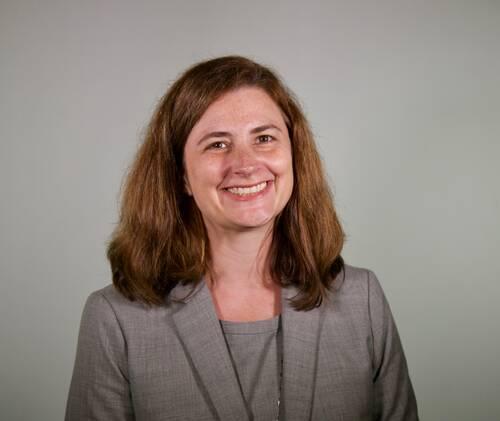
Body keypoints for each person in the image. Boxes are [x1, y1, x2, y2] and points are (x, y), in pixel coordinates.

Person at [65, 56, 419, 420]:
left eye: (264, 138)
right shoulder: (116, 320)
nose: (246, 165)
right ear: (181, 176)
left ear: (294, 155)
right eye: (217, 144)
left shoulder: (363, 301)